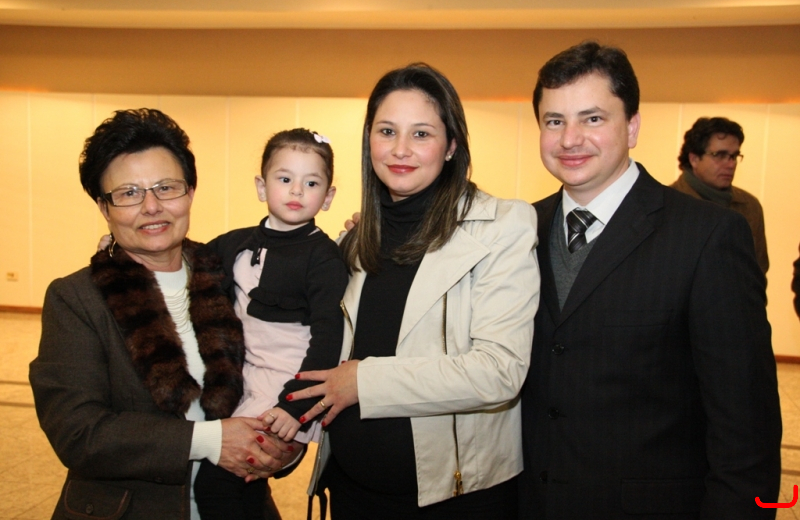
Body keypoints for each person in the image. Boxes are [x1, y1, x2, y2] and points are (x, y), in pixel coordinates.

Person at [519, 41, 781, 519]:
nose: (570, 139)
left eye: (592, 118)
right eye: (554, 121)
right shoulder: (517, 231)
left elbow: (746, 425)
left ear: (632, 127)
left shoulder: (707, 236)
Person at [287, 63, 540, 519]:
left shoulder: (503, 226)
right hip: (352, 493)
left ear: (452, 146)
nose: (400, 149)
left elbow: (499, 371)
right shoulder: (352, 241)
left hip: (458, 501)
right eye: (387, 131)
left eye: (421, 134)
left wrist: (363, 381)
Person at [29, 108, 295, 520]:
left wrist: (285, 445)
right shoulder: (77, 299)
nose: (151, 207)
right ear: (104, 207)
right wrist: (209, 440)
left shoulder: (231, 278)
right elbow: (78, 432)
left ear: (190, 192)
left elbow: (281, 365)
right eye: (129, 193)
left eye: (166, 188)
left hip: (239, 507)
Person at [194, 128, 348, 518]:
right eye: (284, 179)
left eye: (311, 183)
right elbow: (185, 258)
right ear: (262, 187)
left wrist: (295, 406)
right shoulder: (236, 242)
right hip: (243, 377)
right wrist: (118, 248)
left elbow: (329, 337)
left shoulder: (324, 259)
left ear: (328, 196)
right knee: (239, 483)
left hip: (286, 387)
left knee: (218, 482)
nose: (297, 191)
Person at [671, 116, 769, 275]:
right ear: (694, 159)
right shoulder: (667, 204)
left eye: (734, 156)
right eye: (719, 155)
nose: (731, 164)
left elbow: (758, 270)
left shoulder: (749, 206)